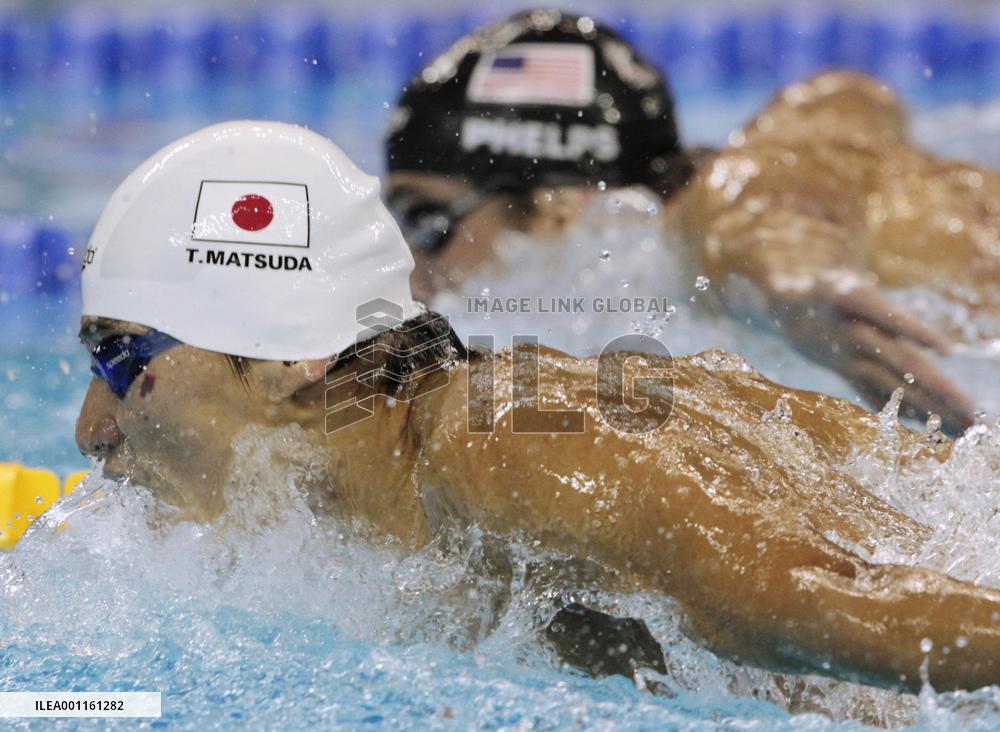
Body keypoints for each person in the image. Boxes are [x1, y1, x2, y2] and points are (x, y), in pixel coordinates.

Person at [76, 121, 1000, 694]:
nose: (93, 429)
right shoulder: (372, 499)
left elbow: (804, 600)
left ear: (290, 362)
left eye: (120, 362)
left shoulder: (501, 441)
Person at [384, 10, 997, 435]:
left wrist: (782, 267)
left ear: (561, 207)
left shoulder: (703, 223)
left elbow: (764, 196)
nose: (409, 270)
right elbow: (848, 105)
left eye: (422, 220)